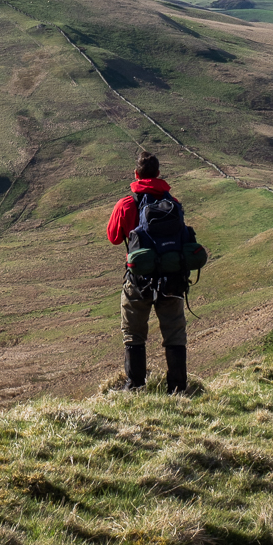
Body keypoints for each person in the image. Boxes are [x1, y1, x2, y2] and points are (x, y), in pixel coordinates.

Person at [106, 149, 191, 393]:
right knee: (175, 333)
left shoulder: (126, 204)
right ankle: (177, 389)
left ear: (136, 174)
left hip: (138, 280)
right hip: (171, 278)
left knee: (134, 333)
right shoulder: (173, 204)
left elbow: (113, 237)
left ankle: (135, 386)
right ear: (159, 174)